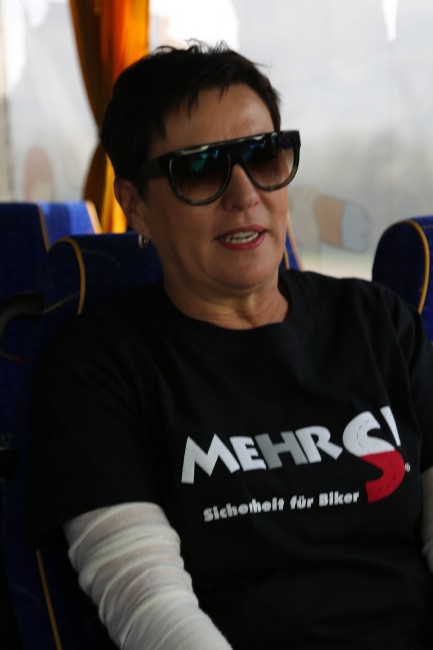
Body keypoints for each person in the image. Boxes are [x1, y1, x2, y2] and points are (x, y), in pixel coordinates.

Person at [27, 42, 433, 650]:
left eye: (264, 157)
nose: (244, 195)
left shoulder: (377, 323)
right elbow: (150, 608)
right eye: (199, 169)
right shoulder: (97, 367)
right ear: (134, 205)